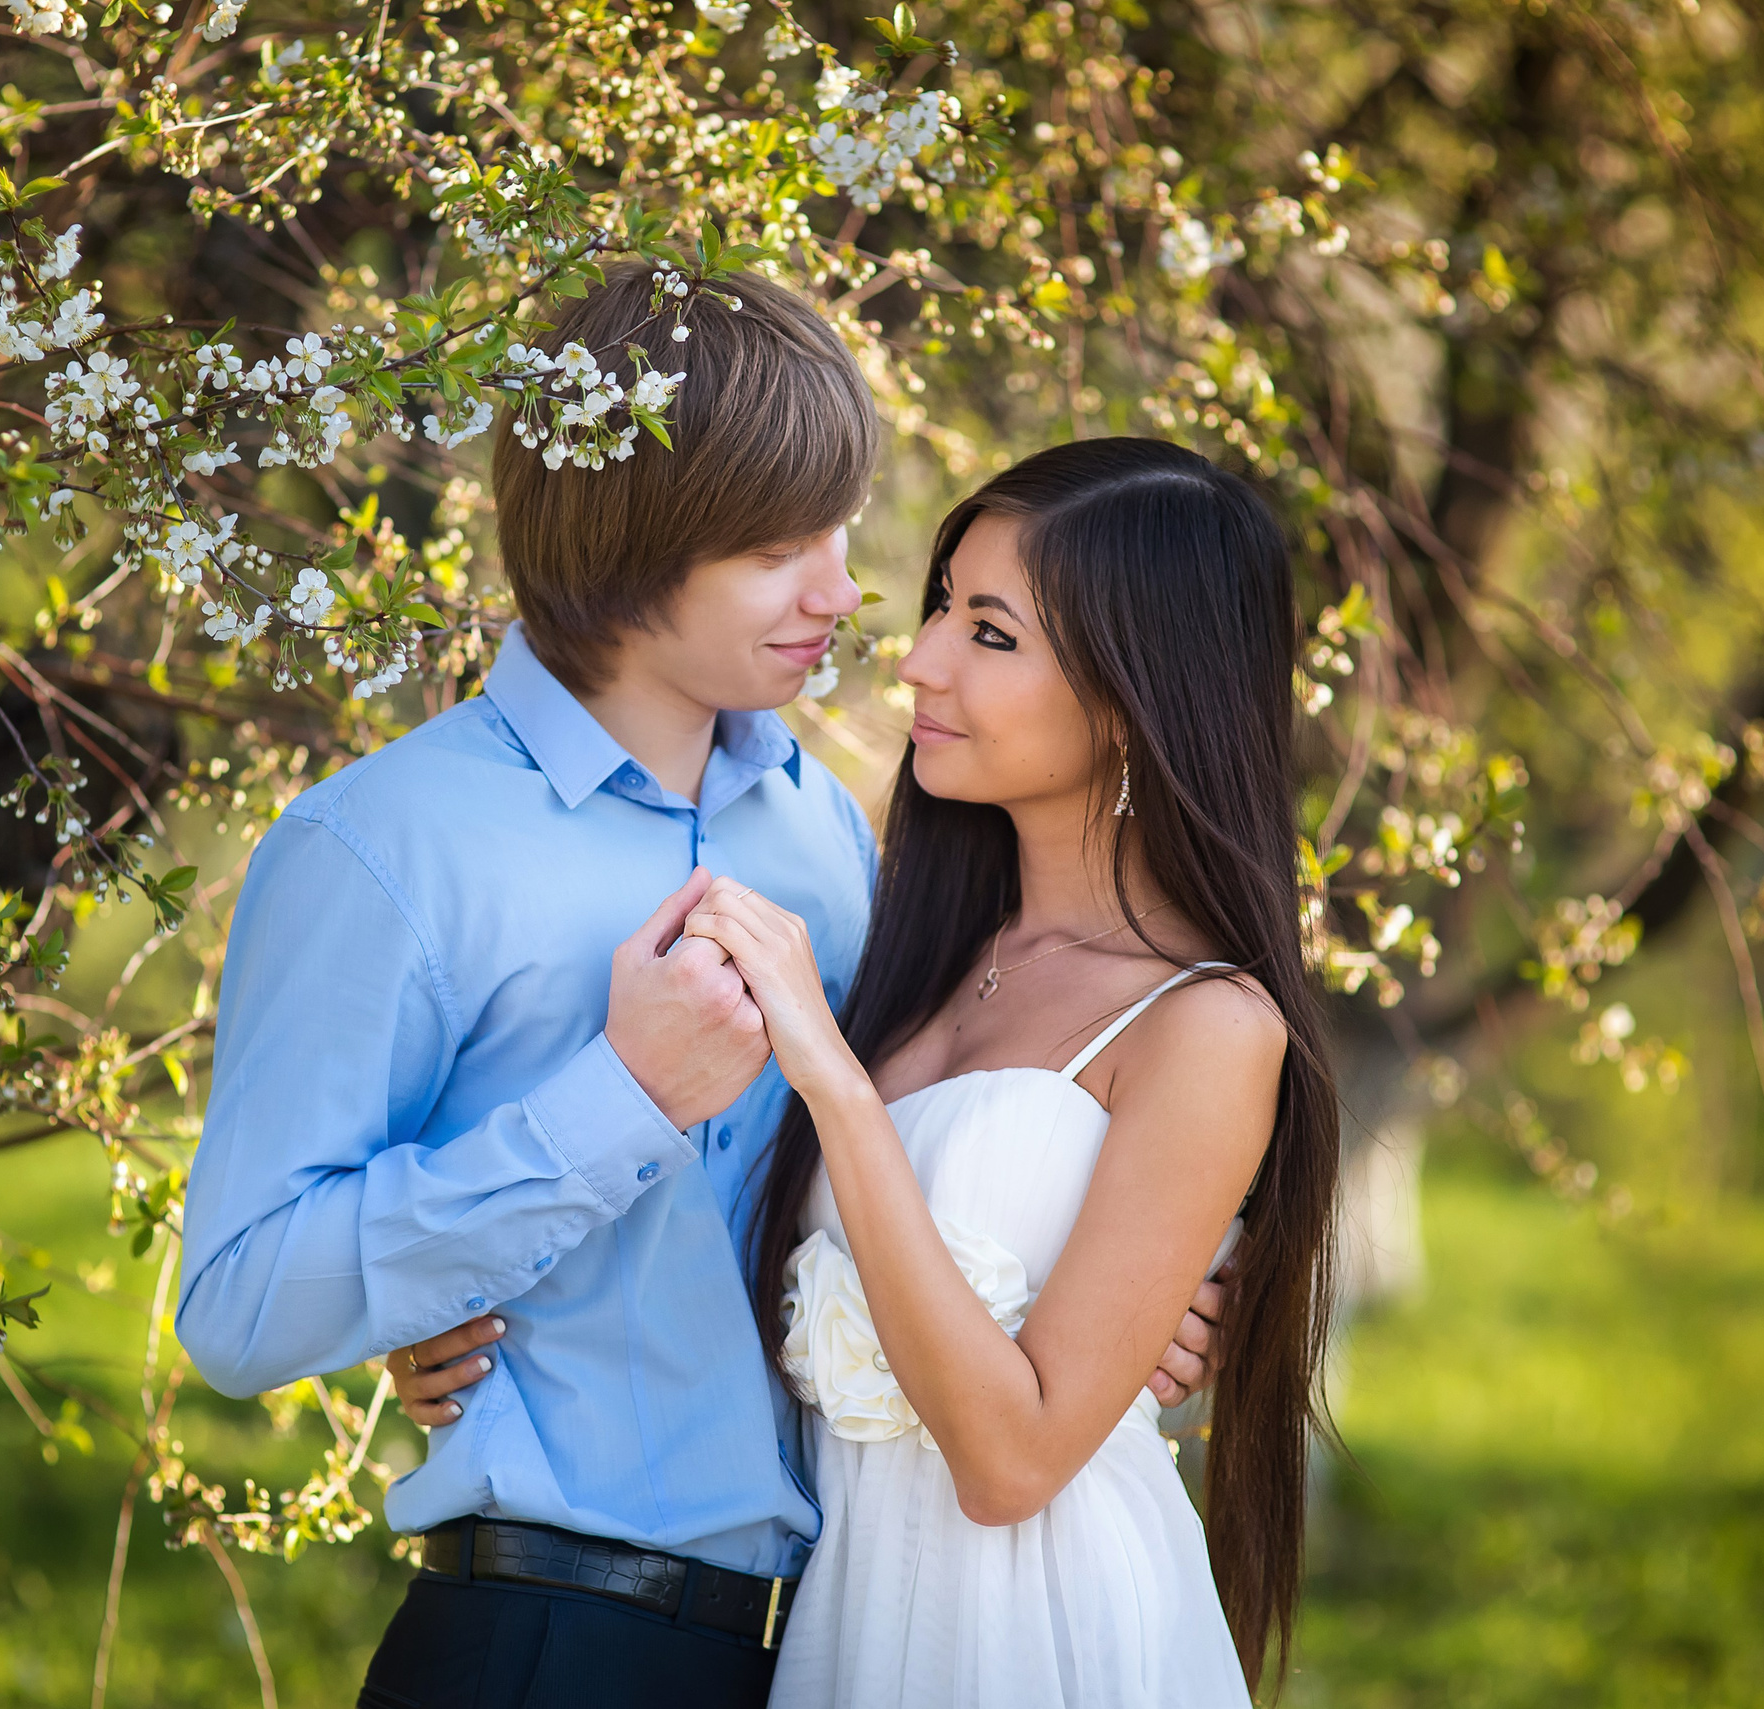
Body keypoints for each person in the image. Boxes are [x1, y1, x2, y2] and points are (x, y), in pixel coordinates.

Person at [176, 266, 1224, 1709]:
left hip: (824, 1639)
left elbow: (875, 1185)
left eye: (844, 534)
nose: (843, 595)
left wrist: (1094, 1288)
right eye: (781, 548)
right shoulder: (386, 848)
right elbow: (243, 1306)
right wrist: (614, 1107)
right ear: (630, 541)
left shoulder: (825, 838)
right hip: (548, 1639)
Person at [679, 437, 1342, 1708]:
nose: (920, 657)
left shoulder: (1206, 1024)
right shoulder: (917, 958)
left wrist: (834, 1081)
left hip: (1046, 1636)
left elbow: (1012, 1461)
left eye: (990, 632)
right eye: (940, 607)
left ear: (1139, 692)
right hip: (854, 1626)